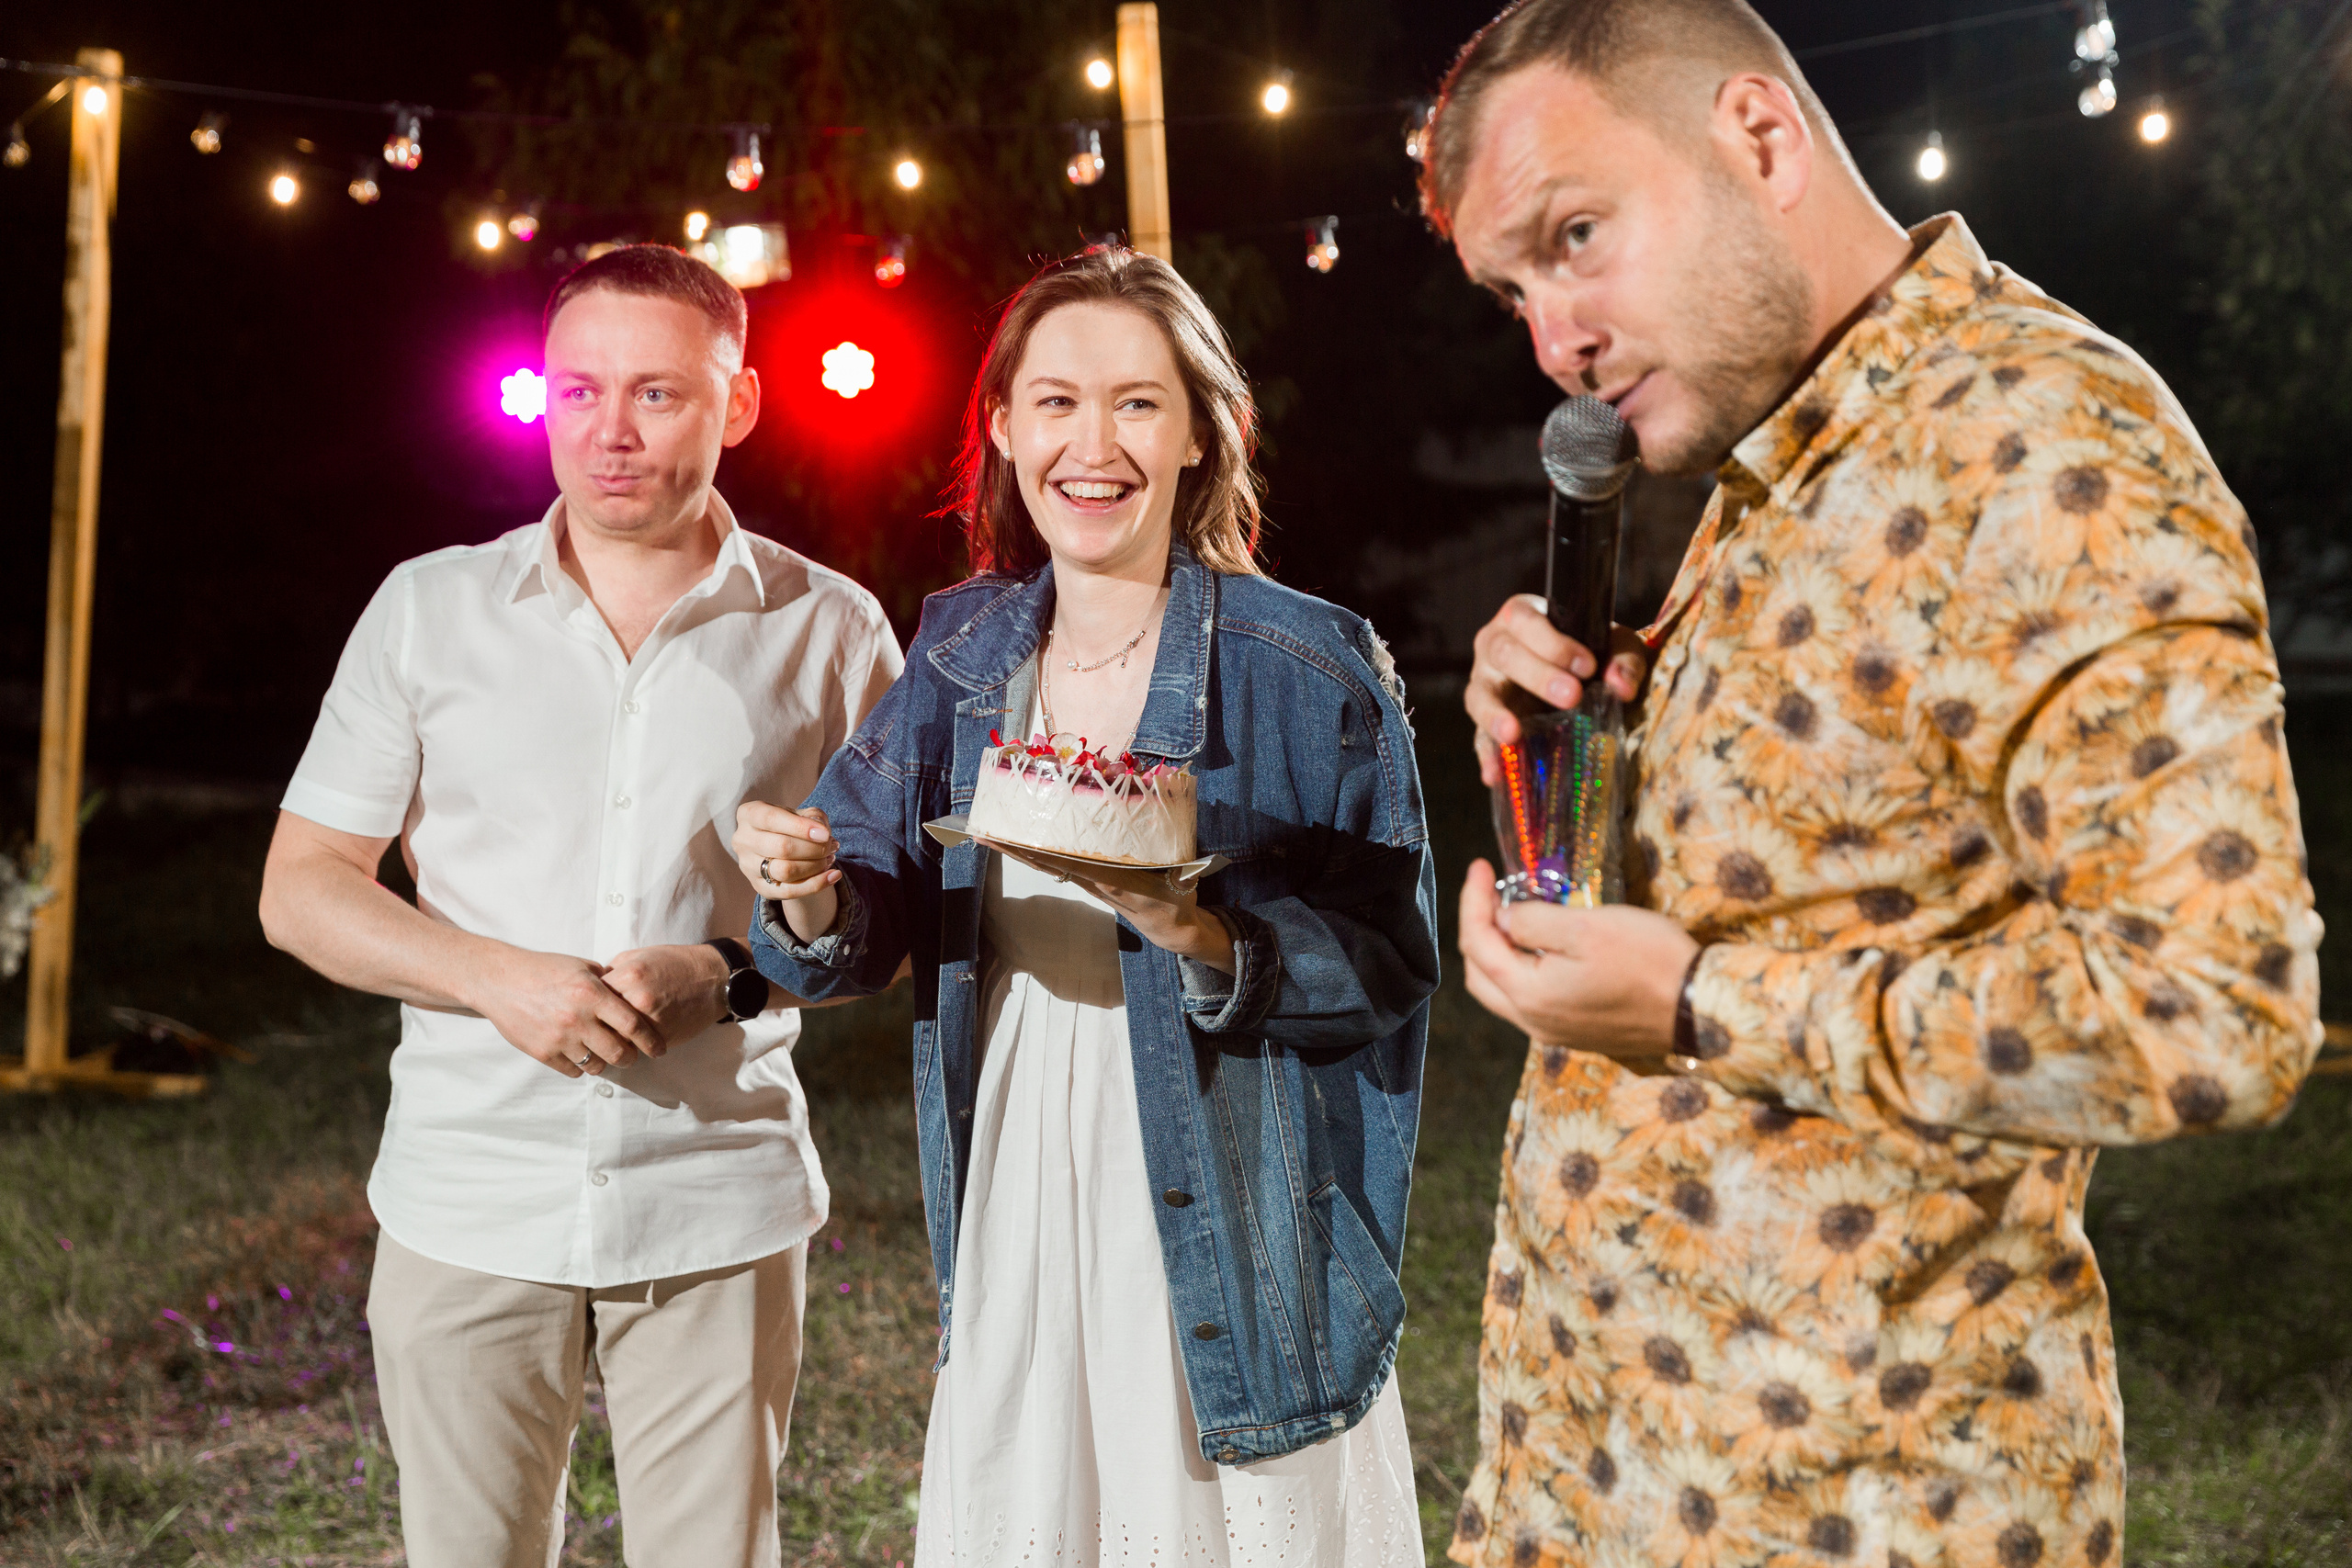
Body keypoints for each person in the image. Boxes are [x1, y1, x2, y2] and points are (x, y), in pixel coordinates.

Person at [1419, 3, 2324, 1565]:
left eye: (1577, 237)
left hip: (1866, 1510)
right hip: (1602, 1482)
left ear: (1760, 138)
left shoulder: (2039, 446)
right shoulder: (1786, 452)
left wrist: (1701, 1006)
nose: (1553, 339)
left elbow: (2216, 1015)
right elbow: (1807, 861)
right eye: (1515, 288)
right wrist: (1569, 750)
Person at [731, 245, 1436, 1565]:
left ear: (1199, 434)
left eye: (1135, 402)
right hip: (1022, 1135)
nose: (1090, 442)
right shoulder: (961, 649)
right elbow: (859, 914)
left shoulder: (1311, 664)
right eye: (1054, 401)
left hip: (1231, 1168)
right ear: (1001, 429)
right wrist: (813, 888)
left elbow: (1392, 965)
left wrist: (1206, 936)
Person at [257, 244, 902, 1568]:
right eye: (576, 391)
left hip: (716, 1191)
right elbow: (303, 888)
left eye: (658, 394)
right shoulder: (430, 611)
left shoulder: (830, 631)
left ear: (740, 404)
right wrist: (501, 980)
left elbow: (891, 929)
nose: (609, 431)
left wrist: (726, 971)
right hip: (469, 1189)